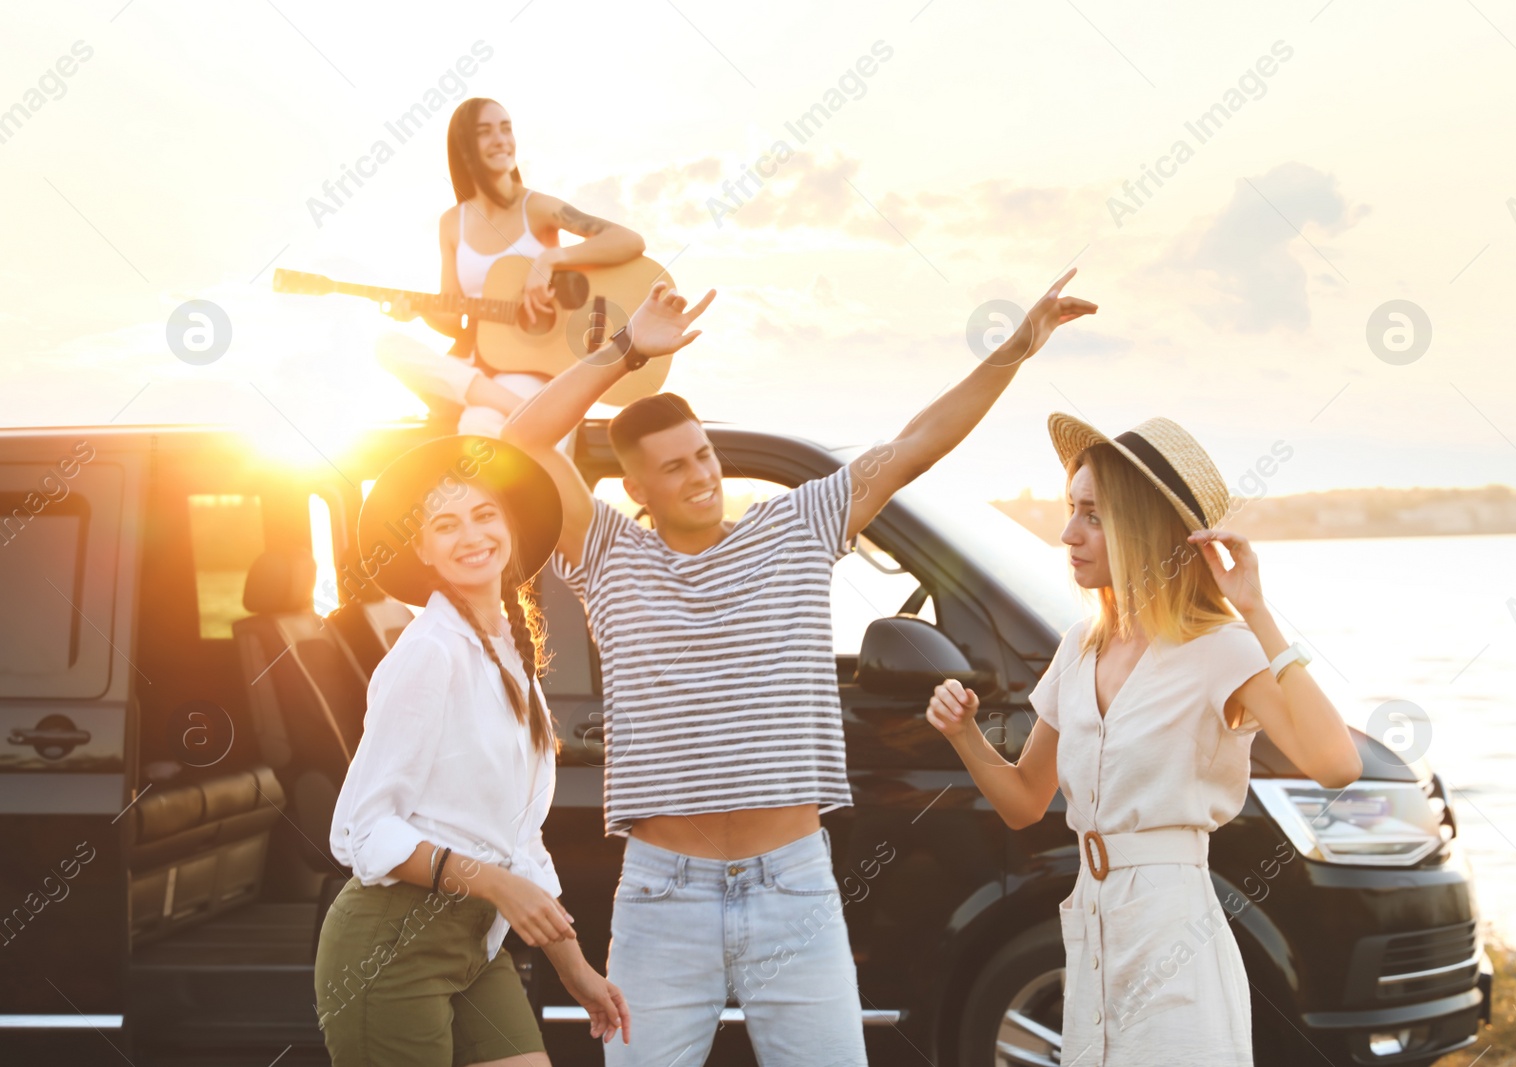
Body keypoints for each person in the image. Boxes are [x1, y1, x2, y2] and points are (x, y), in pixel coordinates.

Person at [500, 271, 1098, 1065]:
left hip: (793, 886)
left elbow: (914, 444)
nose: (702, 475)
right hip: (662, 898)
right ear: (636, 485)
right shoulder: (610, 554)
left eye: (704, 454)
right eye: (674, 467)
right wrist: (627, 351)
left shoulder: (794, 528)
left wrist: (1014, 352)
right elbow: (519, 444)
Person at [923, 414, 1365, 1066]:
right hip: (1092, 923)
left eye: (1094, 515)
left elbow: (1336, 762)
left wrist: (1258, 610)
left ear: (1146, 528)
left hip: (1174, 931)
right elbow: (1023, 799)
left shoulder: (1221, 648)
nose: (1068, 533)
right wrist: (964, 735)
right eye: (1071, 509)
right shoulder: (1078, 649)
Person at [312, 433, 626, 1066]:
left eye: (485, 515)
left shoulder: (510, 652)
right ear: (422, 547)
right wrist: (493, 885)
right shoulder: (429, 652)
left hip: (474, 946)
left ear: (508, 525)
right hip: (389, 948)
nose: (472, 535)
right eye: (446, 524)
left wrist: (574, 967)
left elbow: (520, 841)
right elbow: (358, 831)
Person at [379, 96, 647, 436]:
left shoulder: (536, 208)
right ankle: (519, 408)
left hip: (529, 368)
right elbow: (451, 315)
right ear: (464, 148)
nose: (501, 140)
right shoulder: (452, 223)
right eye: (485, 131)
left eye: (506, 129)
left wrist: (550, 258)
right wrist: (418, 310)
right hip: (473, 362)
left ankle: (502, 403)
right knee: (387, 346)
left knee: (477, 426)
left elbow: (629, 240)